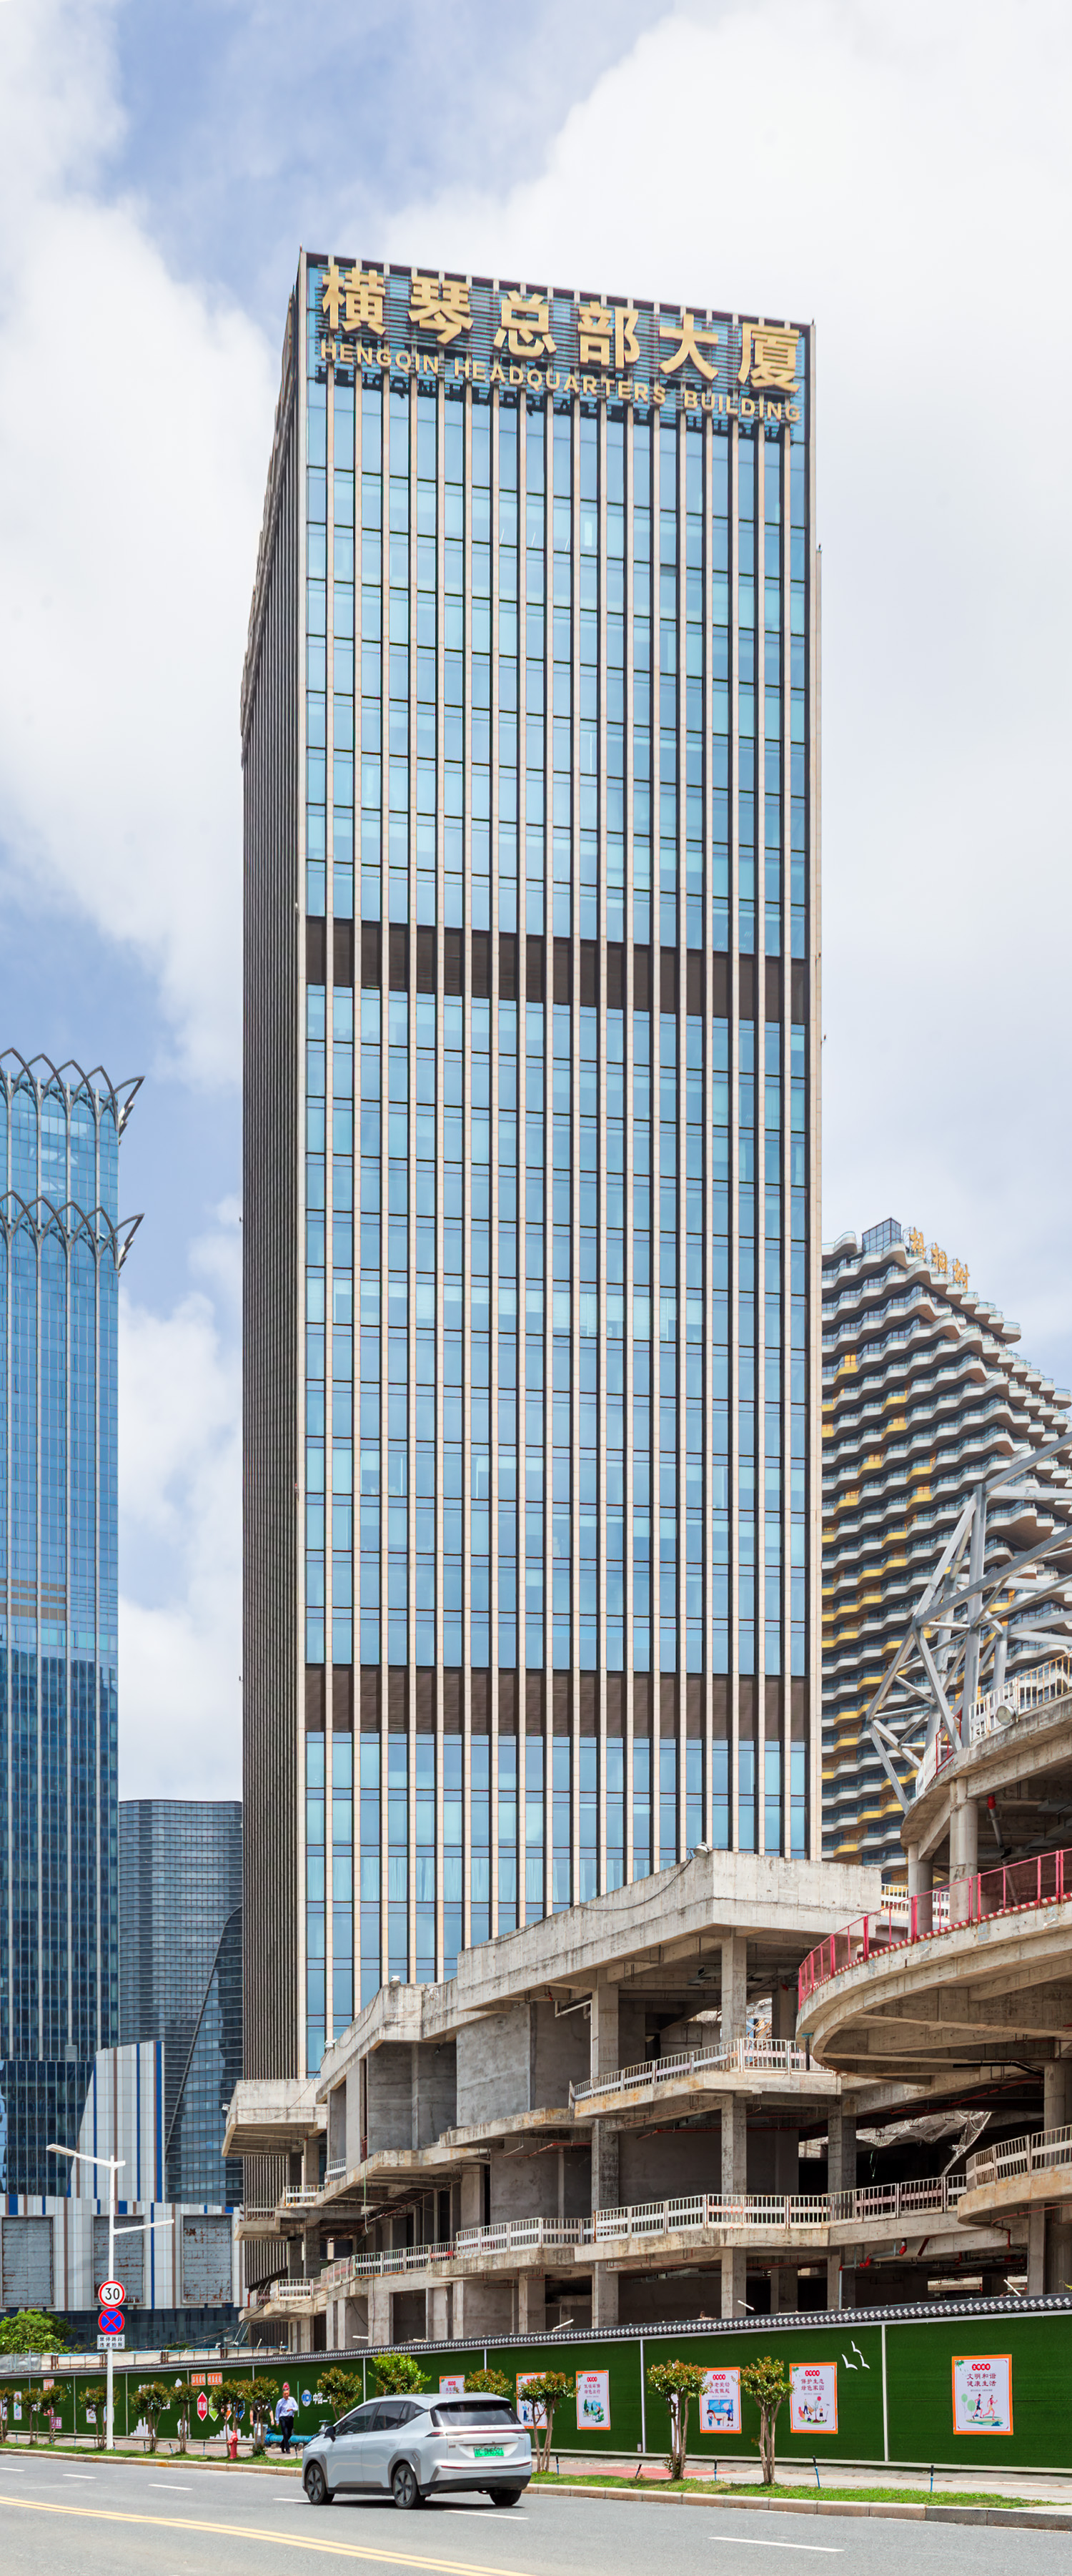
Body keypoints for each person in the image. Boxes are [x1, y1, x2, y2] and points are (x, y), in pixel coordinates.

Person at [275, 2384, 299, 2455]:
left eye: (287, 2394)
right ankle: (287, 2448)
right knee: (285, 2433)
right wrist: (277, 2421)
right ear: (283, 2394)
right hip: (283, 2418)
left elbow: (297, 2408)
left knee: (289, 2434)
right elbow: (277, 2411)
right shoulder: (280, 2402)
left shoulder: (292, 2400)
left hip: (290, 2418)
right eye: (285, 2394)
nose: (286, 2395)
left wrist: (292, 2409)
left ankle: (282, 2444)